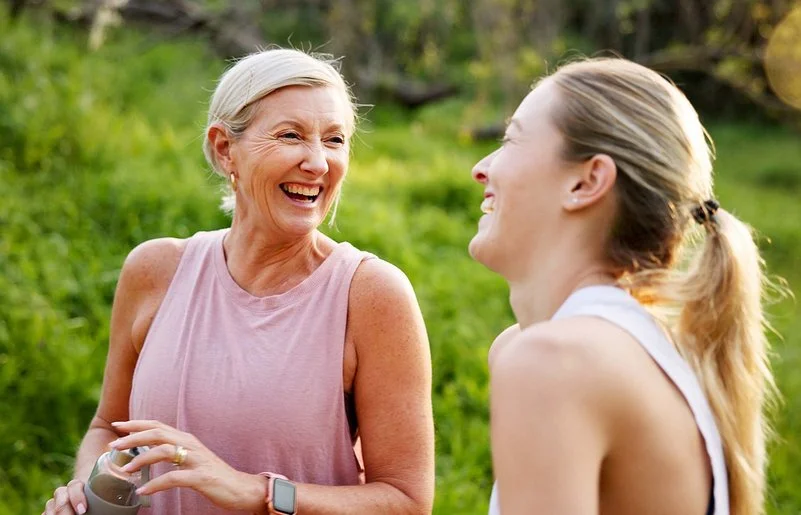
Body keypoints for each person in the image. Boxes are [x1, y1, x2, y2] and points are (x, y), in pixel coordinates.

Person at [44, 48, 435, 515]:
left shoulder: (370, 294)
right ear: (225, 148)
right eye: (291, 135)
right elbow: (109, 426)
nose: (318, 162)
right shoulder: (153, 271)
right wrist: (87, 491)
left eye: (334, 140)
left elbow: (406, 501)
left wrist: (255, 492)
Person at [469, 57, 776, 515]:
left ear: (586, 181)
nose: (480, 167)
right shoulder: (639, 353)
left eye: (511, 139)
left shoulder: (556, 362)